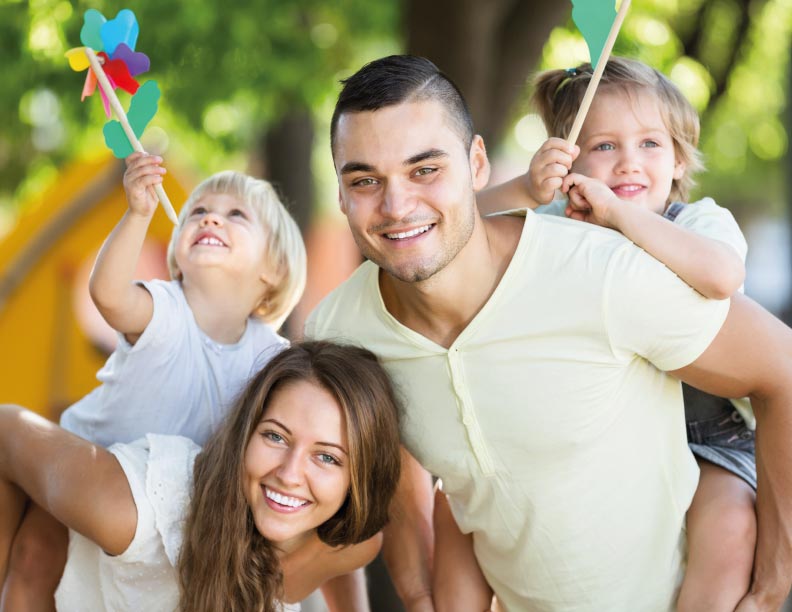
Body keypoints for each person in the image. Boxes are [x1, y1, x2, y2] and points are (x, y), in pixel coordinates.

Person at [305, 54, 792, 611]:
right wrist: (417, 595)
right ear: (341, 193)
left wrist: (774, 582)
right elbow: (390, 468)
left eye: (425, 170)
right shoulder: (339, 333)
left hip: (696, 521)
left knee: (726, 517)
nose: (397, 206)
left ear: (476, 163)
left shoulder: (603, 270)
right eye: (365, 179)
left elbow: (782, 368)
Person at [438, 56, 758, 612]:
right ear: (569, 161)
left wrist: (618, 214)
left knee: (729, 525)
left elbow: (721, 276)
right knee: (467, 504)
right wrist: (524, 187)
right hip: (600, 440)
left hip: (706, 437)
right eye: (605, 146)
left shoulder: (699, 221)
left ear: (679, 157)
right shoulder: (558, 227)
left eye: (651, 144)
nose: (628, 162)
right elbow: (462, 232)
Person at [1, 155, 307, 611]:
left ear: (274, 270)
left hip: (147, 499)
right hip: (81, 459)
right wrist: (138, 213)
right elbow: (107, 294)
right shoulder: (165, 309)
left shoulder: (271, 358)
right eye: (197, 212)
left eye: (236, 214)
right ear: (178, 255)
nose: (210, 217)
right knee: (32, 562)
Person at [0, 341, 402, 612]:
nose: (290, 474)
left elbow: (352, 551)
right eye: (275, 436)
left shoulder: (350, 543)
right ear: (246, 431)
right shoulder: (131, 514)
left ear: (360, 479)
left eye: (328, 458)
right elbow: (5, 429)